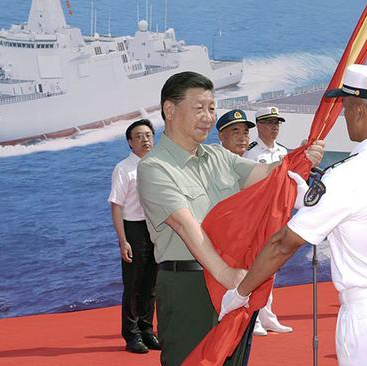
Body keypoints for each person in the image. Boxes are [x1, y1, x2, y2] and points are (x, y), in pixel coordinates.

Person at [220, 64, 367, 365]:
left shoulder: (347, 175)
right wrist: (303, 197)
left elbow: (284, 242)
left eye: (346, 107)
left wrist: (240, 293)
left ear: (360, 110)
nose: (345, 116)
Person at [136, 71, 324, 366]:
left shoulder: (218, 156)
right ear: (169, 110)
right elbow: (186, 226)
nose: (208, 117)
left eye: (211, 108)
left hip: (235, 281)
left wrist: (301, 157)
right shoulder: (155, 167)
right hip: (191, 285)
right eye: (199, 108)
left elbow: (266, 176)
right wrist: (227, 276)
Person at [108, 119, 160, 354]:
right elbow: (116, 205)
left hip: (155, 228)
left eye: (148, 135)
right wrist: (123, 240)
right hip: (133, 228)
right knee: (134, 284)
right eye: (139, 136)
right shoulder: (123, 168)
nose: (145, 139)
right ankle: (131, 334)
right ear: (130, 142)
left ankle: (147, 330)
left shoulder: (158, 164)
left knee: (151, 284)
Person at [241, 106, 293, 336]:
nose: (274, 127)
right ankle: (254, 317)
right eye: (270, 123)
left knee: (272, 266)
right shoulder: (250, 153)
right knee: (256, 266)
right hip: (257, 216)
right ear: (259, 125)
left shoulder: (283, 151)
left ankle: (267, 315)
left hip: (278, 214)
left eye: (277, 123)